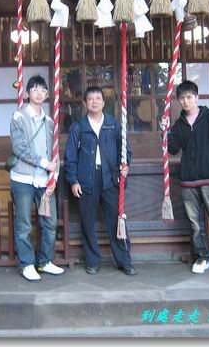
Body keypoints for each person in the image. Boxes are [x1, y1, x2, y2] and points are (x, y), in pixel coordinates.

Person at [162, 80, 209, 276]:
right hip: (188, 180)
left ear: (196, 97)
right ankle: (202, 257)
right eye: (182, 98)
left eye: (189, 97)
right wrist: (166, 131)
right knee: (195, 224)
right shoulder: (179, 125)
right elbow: (173, 149)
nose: (185, 101)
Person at [64, 86, 137, 276]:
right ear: (85, 103)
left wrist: (125, 165)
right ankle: (92, 261)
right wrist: (73, 180)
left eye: (98, 98)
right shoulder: (79, 127)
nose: (94, 102)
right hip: (86, 179)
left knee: (116, 220)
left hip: (110, 178)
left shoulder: (113, 125)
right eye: (90, 99)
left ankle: (124, 261)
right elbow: (70, 156)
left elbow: (125, 149)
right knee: (87, 221)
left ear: (104, 103)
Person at [9, 75, 65, 281]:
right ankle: (26, 264)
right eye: (35, 89)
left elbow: (55, 151)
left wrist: (54, 176)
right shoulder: (19, 117)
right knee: (24, 224)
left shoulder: (50, 121)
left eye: (43, 90)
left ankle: (44, 261)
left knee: (49, 222)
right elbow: (20, 148)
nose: (39, 93)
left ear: (47, 94)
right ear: (28, 93)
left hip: (45, 181)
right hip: (23, 179)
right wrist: (45, 164)